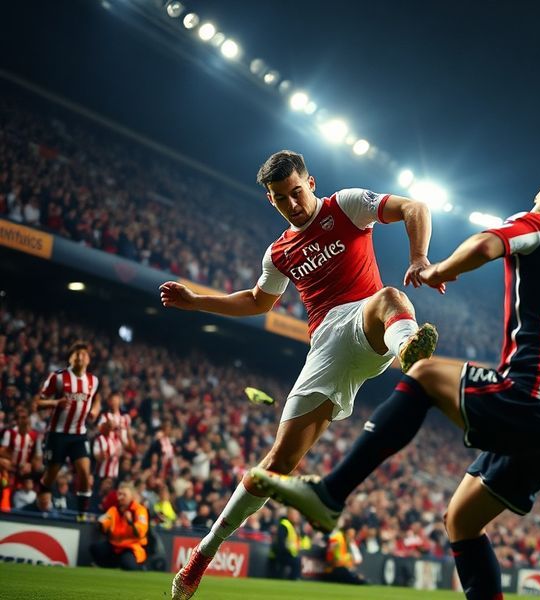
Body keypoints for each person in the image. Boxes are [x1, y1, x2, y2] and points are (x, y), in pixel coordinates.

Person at [259, 178, 540, 600]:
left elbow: (486, 244)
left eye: (537, 200)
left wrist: (435, 270)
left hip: (532, 396)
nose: (533, 204)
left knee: (425, 374)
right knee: (462, 522)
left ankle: (330, 494)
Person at [166, 150, 440, 599]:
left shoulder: (346, 205)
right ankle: (202, 556)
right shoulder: (278, 253)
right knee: (277, 464)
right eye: (281, 198)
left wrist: (419, 258)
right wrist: (197, 301)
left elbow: (416, 207)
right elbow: (257, 301)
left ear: (311, 183)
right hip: (327, 346)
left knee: (391, 296)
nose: (292, 204)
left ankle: (410, 351)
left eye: (296, 192)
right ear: (271, 200)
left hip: (370, 321)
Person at [34, 340, 101, 519]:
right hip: (58, 434)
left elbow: (97, 398)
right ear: (70, 358)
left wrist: (95, 410)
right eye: (76, 354)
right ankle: (39, 503)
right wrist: (56, 402)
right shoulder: (58, 377)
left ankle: (82, 514)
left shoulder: (93, 380)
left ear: (88, 359)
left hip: (79, 435)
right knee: (50, 476)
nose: (80, 357)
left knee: (85, 473)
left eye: (84, 354)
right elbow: (38, 402)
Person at [90, 482, 149, 571]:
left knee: (128, 565)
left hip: (131, 546)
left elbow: (140, 533)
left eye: (124, 495)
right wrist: (100, 523)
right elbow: (104, 524)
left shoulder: (139, 510)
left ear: (131, 496)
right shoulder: (114, 510)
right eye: (119, 494)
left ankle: (140, 567)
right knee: (95, 549)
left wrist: (131, 523)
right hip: (115, 545)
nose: (120, 497)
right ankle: (112, 566)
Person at [0, 405, 40, 511]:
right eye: (21, 418)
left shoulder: (34, 436)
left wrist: (30, 464)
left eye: (25, 418)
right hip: (10, 469)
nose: (24, 421)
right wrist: (12, 460)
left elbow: (37, 458)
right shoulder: (9, 433)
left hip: (25, 472)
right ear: (17, 421)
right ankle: (5, 508)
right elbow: (2, 451)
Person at [268, 507, 301, 580]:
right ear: (289, 514)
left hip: (288, 553)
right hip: (281, 553)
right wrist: (287, 551)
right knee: (296, 561)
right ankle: (295, 578)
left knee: (297, 560)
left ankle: (293, 578)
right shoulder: (285, 524)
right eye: (295, 514)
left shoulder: (294, 526)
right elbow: (281, 542)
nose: (297, 516)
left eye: (297, 514)